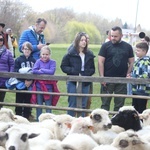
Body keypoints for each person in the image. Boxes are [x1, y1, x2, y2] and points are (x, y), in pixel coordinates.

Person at [98, 26, 134, 111]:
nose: (113, 38)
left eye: (115, 36)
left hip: (121, 80)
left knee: (119, 105)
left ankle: (116, 123)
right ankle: (104, 123)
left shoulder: (128, 47)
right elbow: (100, 62)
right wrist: (102, 77)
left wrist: (127, 74)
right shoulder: (105, 46)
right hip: (107, 79)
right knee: (105, 104)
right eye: (112, 36)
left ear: (121, 35)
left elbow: (132, 62)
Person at [60, 32, 95, 117]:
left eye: (85, 40)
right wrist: (74, 71)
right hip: (73, 81)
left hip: (85, 81)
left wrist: (85, 73)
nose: (84, 42)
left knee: (83, 104)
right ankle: (70, 123)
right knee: (72, 103)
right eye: (81, 40)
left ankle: (82, 124)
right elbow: (63, 66)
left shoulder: (89, 54)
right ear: (77, 41)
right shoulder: (70, 53)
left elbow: (92, 69)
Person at [31, 45, 60, 121]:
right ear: (41, 54)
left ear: (49, 54)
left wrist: (41, 70)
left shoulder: (52, 62)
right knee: (39, 104)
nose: (45, 56)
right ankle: (38, 120)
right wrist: (42, 71)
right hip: (39, 86)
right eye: (43, 54)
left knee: (48, 105)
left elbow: (51, 72)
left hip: (49, 87)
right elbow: (34, 70)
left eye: (46, 54)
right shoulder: (38, 61)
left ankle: (49, 120)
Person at [14, 41, 36, 120]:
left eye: (28, 49)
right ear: (22, 50)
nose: (27, 50)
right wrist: (24, 80)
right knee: (19, 101)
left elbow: (35, 72)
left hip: (30, 85)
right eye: (25, 49)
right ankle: (18, 117)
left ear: (31, 50)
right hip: (20, 84)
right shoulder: (18, 60)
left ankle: (26, 117)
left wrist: (30, 80)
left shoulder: (34, 60)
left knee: (28, 101)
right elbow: (15, 71)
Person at [130, 42, 150, 113]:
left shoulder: (146, 62)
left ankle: (142, 123)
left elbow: (146, 74)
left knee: (141, 109)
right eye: (136, 50)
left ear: (144, 51)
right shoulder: (137, 61)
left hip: (142, 90)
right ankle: (136, 123)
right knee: (134, 108)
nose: (136, 52)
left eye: (138, 50)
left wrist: (135, 78)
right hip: (135, 89)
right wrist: (131, 75)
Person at [0, 33, 14, 108]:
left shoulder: (7, 52)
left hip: (3, 80)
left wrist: (9, 75)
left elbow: (12, 64)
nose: (0, 41)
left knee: (1, 100)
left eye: (1, 40)